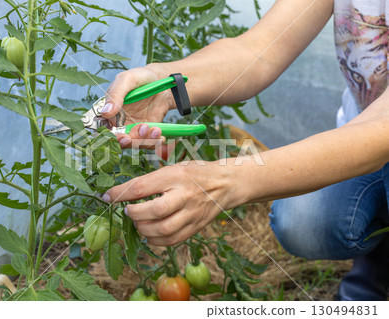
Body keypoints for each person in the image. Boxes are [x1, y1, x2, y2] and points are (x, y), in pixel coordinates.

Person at [100, 0, 388, 300]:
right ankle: (377, 258)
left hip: (379, 134)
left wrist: (226, 181)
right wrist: (164, 83)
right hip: (361, 135)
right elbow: (258, 51)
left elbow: (383, 128)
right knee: (303, 219)